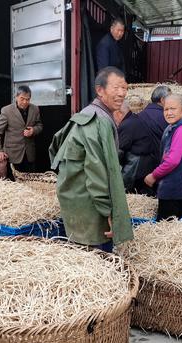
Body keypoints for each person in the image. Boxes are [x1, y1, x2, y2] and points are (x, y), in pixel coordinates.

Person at [49, 67, 133, 251]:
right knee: (97, 263)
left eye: (125, 88)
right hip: (90, 211)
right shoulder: (99, 120)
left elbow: (54, 149)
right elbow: (98, 173)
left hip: (75, 204)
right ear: (100, 90)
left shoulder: (85, 114)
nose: (122, 93)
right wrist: (109, 212)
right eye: (116, 87)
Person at [144, 94, 182, 221]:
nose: (169, 113)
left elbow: (172, 161)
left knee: (167, 233)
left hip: (176, 193)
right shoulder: (179, 126)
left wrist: (154, 175)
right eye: (166, 109)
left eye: (173, 109)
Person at [0, 85, 43, 173]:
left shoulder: (35, 109)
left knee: (30, 182)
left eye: (27, 99)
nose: (24, 102)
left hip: (29, 154)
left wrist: (33, 130)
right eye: (22, 98)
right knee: (13, 183)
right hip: (12, 154)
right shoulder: (6, 111)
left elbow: (40, 125)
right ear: (16, 97)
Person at [136, 85, 171, 195]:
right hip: (160, 168)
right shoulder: (166, 118)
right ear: (162, 100)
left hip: (140, 168)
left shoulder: (139, 115)